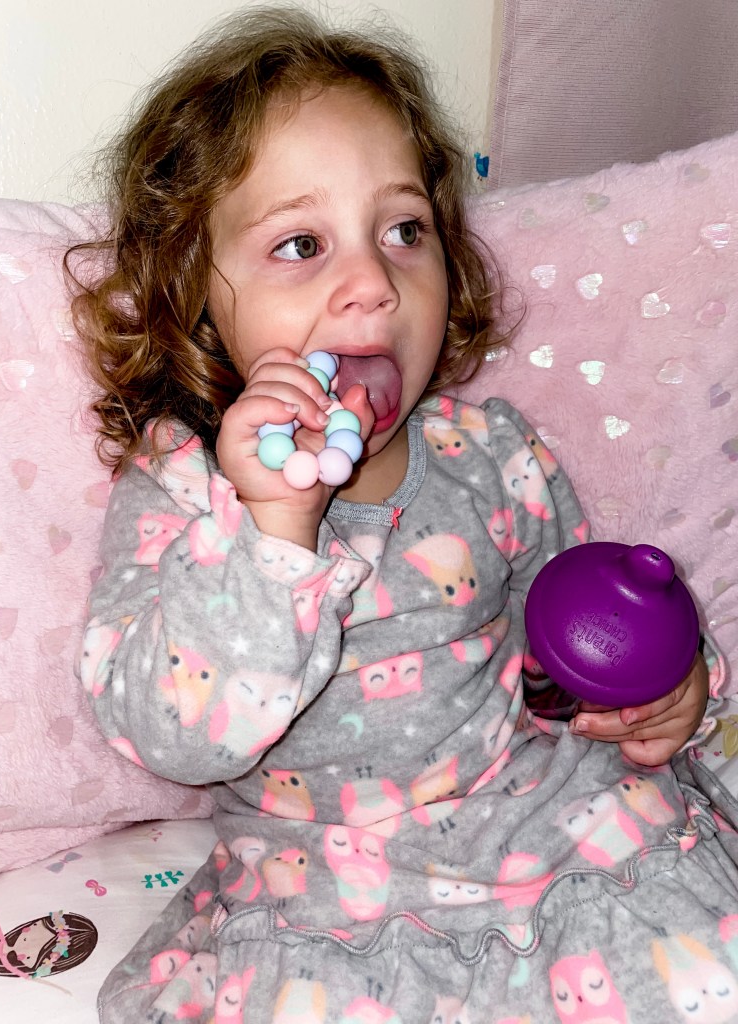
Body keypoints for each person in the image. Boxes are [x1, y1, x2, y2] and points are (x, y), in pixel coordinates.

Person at [69, 6, 738, 1021]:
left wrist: (660, 695)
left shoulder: (492, 454)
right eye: (302, 243)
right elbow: (174, 736)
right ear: (197, 297)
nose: (373, 283)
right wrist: (274, 530)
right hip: (328, 898)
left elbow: (573, 654)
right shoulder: (184, 486)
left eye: (404, 230)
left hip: (552, 839)